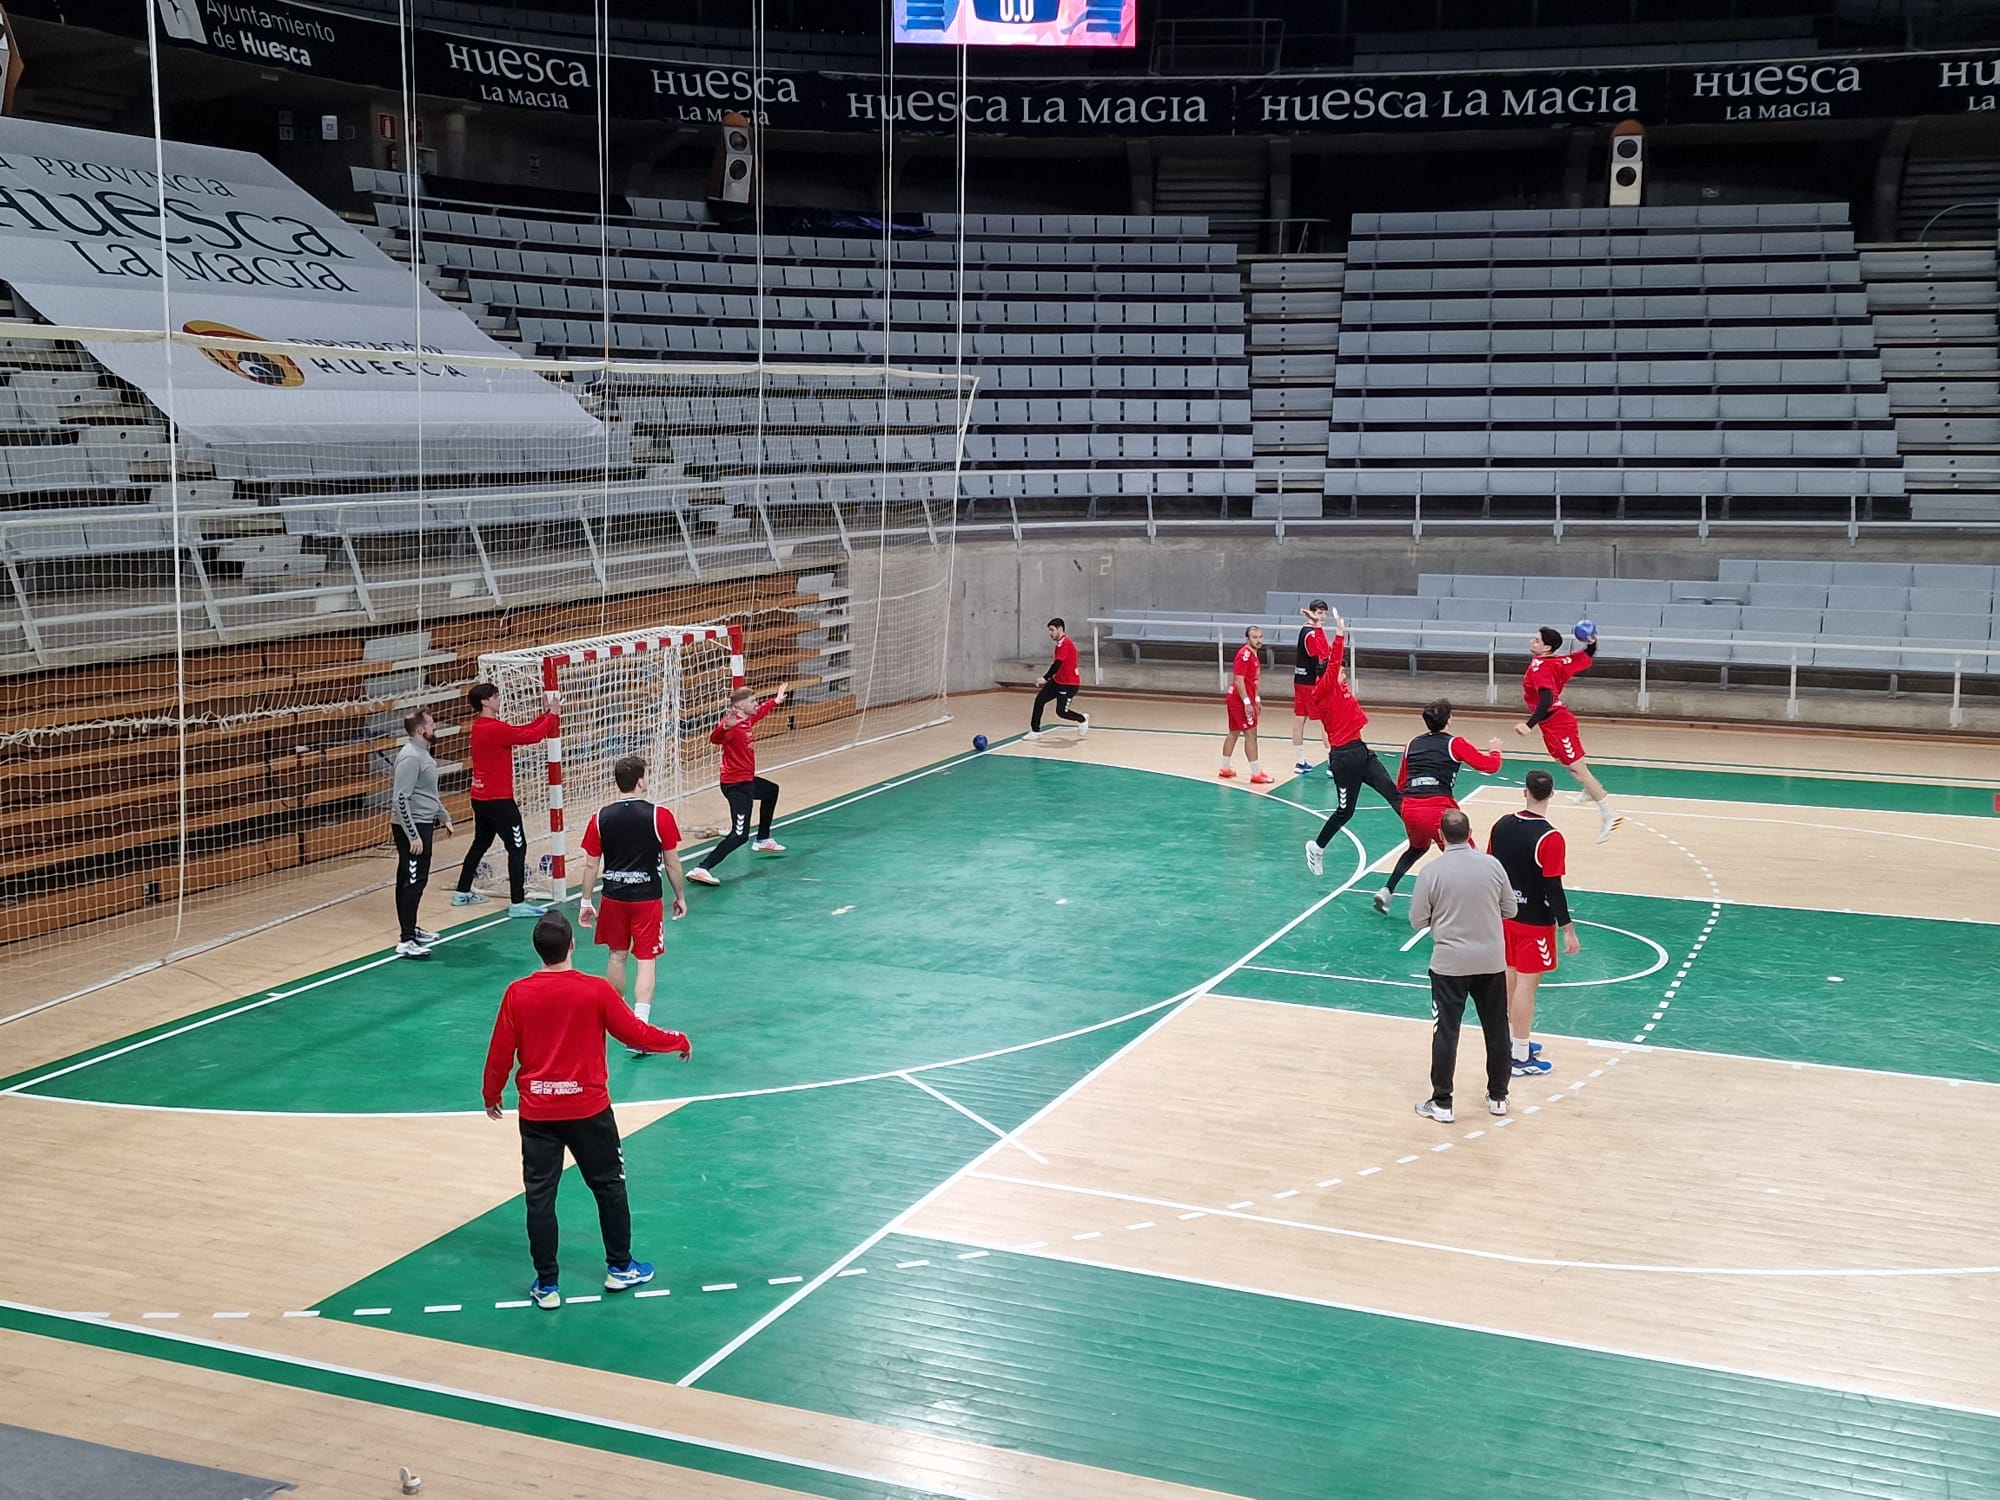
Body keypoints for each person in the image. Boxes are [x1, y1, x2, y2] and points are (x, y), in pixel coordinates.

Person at [482, 909, 692, 1310]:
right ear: (572, 946)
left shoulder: (517, 993)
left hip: (538, 1112)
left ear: (537, 951)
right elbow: (635, 1032)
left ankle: (547, 1284)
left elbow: (499, 1053)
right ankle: (620, 1267)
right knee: (609, 1186)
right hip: (588, 1111)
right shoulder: (595, 991)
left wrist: (491, 1094)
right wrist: (677, 1040)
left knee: (539, 1197)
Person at [1408, 810, 1515, 1124]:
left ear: (1440, 836)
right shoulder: (1493, 866)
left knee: (1446, 1033)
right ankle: (1498, 1097)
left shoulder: (1431, 872)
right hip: (1491, 962)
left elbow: (1417, 920)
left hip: (1450, 965)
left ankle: (1442, 1103)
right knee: (1497, 1029)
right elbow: (1510, 909)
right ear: (1471, 833)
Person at [576, 755, 687, 1052]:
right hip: (647, 898)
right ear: (640, 780)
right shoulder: (659, 816)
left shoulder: (599, 817)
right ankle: (639, 1029)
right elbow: (673, 864)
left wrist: (586, 900)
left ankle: (620, 1022)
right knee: (647, 959)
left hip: (613, 897)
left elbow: (590, 865)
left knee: (616, 956)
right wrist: (680, 896)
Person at [1487, 769, 1580, 1077]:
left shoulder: (1501, 825)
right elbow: (1554, 888)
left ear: (1524, 792)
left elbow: (1491, 868)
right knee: (1527, 985)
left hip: (1504, 917)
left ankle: (1511, 1044)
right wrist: (1568, 929)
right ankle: (1520, 1055)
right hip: (1534, 924)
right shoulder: (1550, 838)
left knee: (1509, 980)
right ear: (1552, 794)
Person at [1373, 699, 1505, 915]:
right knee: (1468, 859)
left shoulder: (1412, 744)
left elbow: (1401, 784)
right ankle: (1477, 907)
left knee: (1417, 847)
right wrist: (1495, 751)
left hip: (1410, 809)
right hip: (1438, 810)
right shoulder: (1455, 743)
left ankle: (1387, 890)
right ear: (1449, 720)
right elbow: (1489, 766)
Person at [1302, 623, 1402, 877]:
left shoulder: (1339, 686)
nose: (1344, 674)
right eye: (1341, 671)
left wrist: (1319, 627)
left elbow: (1328, 659)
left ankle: (1419, 831)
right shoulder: (1322, 691)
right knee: (1345, 811)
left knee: (1391, 791)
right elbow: (1332, 662)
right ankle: (1317, 847)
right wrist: (1339, 633)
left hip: (1361, 750)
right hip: (1343, 758)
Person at [454, 681, 561, 917]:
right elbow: (531, 735)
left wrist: (546, 715)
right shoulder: (492, 729)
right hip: (499, 800)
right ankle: (517, 903)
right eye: (495, 696)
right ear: (485, 701)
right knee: (517, 848)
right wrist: (552, 715)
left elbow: (520, 732)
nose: (499, 699)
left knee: (480, 843)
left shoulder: (481, 726)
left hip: (480, 797)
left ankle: (462, 891)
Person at [1518, 626, 1621, 843]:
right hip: (1551, 725)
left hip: (1558, 723)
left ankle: (1608, 814)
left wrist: (1529, 725)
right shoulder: (1558, 661)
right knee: (1562, 761)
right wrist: (1592, 643)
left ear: (1547, 647)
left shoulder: (1540, 668)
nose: (1532, 641)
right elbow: (1586, 655)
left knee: (1578, 768)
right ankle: (1588, 790)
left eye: (1537, 640)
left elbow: (1545, 699)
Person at [686, 682, 791, 887]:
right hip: (736, 786)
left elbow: (759, 712)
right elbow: (715, 739)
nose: (756, 704)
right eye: (752, 701)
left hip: (747, 780)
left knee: (771, 791)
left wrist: (775, 701)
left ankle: (762, 839)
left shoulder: (747, 719)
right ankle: (701, 868)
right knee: (740, 835)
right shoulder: (731, 723)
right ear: (741, 705)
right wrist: (724, 727)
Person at [390, 709, 451, 960]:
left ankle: (411, 928)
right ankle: (405, 940)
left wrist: (443, 814)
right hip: (412, 827)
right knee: (412, 881)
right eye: (431, 724)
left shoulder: (423, 753)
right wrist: (413, 835)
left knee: (416, 879)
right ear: (420, 730)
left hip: (424, 823)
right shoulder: (411, 758)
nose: (434, 727)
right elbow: (400, 799)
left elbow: (428, 793)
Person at [1218, 625, 1273, 784]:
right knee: (1251, 734)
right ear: (1247, 639)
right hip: (1239, 700)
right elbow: (1239, 680)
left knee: (1234, 732)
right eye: (1255, 637)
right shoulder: (1245, 655)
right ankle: (1256, 773)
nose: (1258, 640)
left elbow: (1253, 681)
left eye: (1260, 637)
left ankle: (1225, 769)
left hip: (1240, 698)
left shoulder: (1254, 655)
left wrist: (1256, 699)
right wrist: (1247, 702)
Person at [1289, 599, 1335, 774]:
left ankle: (1300, 762)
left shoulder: (1304, 631)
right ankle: (1333, 764)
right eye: (1319, 613)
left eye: (1324, 613)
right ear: (1311, 612)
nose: (1322, 616)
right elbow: (1319, 659)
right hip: (1311, 684)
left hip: (1300, 679)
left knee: (1300, 718)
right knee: (1325, 722)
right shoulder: (1311, 634)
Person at [1025, 617, 1088, 740]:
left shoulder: (1065, 644)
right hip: (1058, 681)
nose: (1050, 634)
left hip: (1069, 684)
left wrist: (1045, 678)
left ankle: (1082, 719)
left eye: (1052, 630)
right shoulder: (1059, 644)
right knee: (1040, 700)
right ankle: (1035, 731)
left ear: (1060, 629)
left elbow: (1057, 664)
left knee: (1061, 712)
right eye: (1049, 630)